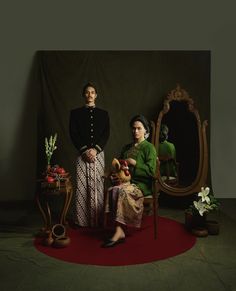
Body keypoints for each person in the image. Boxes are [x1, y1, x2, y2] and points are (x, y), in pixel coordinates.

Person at [102, 114, 157, 247]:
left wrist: (135, 163)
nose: (135, 131)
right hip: (124, 182)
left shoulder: (149, 148)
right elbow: (120, 167)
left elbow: (151, 172)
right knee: (112, 189)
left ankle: (119, 231)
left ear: (145, 130)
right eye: (133, 128)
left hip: (141, 185)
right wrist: (114, 175)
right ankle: (119, 229)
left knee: (121, 191)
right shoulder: (126, 148)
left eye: (139, 128)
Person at [69, 82, 110, 227]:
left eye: (92, 92)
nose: (90, 94)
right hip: (82, 154)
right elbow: (73, 134)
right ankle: (82, 221)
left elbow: (106, 134)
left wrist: (95, 150)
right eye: (87, 92)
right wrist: (85, 150)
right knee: (82, 186)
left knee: (98, 185)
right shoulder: (75, 113)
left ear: (96, 95)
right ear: (83, 95)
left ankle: (97, 220)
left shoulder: (104, 114)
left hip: (98, 154)